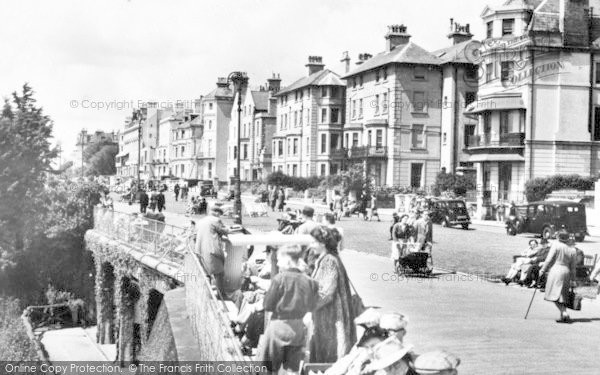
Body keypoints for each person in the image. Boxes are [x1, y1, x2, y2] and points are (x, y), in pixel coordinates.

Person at [257, 245, 319, 374]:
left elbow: (267, 305)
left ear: (288, 261)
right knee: (290, 370)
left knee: (267, 368)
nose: (278, 263)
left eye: (279, 259)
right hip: (297, 330)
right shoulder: (310, 282)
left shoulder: (279, 279)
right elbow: (313, 306)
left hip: (278, 327)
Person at [309, 226, 356, 363]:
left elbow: (326, 293)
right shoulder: (330, 258)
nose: (311, 245)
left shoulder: (329, 261)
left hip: (331, 317)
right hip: (330, 315)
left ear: (322, 243)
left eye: (313, 242)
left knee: (330, 354)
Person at [539, 230, 578, 323]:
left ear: (558, 237)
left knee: (553, 294)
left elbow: (548, 259)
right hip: (566, 271)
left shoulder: (556, 245)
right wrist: (573, 279)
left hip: (556, 270)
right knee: (562, 295)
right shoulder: (572, 250)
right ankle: (563, 314)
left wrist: (542, 269)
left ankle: (564, 312)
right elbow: (573, 268)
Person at [195, 206, 231, 297]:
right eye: (220, 214)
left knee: (206, 273)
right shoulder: (215, 220)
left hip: (200, 250)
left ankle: (206, 294)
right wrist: (229, 229)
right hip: (211, 250)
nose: (220, 216)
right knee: (219, 273)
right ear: (217, 213)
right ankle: (221, 295)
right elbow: (225, 231)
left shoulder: (201, 221)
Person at [296, 206, 322, 274]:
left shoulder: (303, 227)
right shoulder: (318, 225)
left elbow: (299, 242)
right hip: (318, 250)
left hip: (306, 253)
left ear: (303, 215)